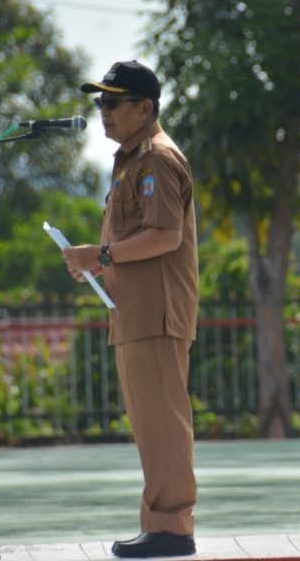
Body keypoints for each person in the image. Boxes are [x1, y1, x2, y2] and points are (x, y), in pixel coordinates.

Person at [62, 60, 199, 559]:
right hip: (135, 311)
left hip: (156, 313)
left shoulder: (157, 159)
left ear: (145, 108)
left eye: (114, 102)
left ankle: (172, 529)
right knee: (149, 421)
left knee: (162, 421)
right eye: (101, 102)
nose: (104, 111)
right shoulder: (132, 160)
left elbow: (165, 236)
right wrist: (98, 264)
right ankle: (161, 526)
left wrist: (99, 256)